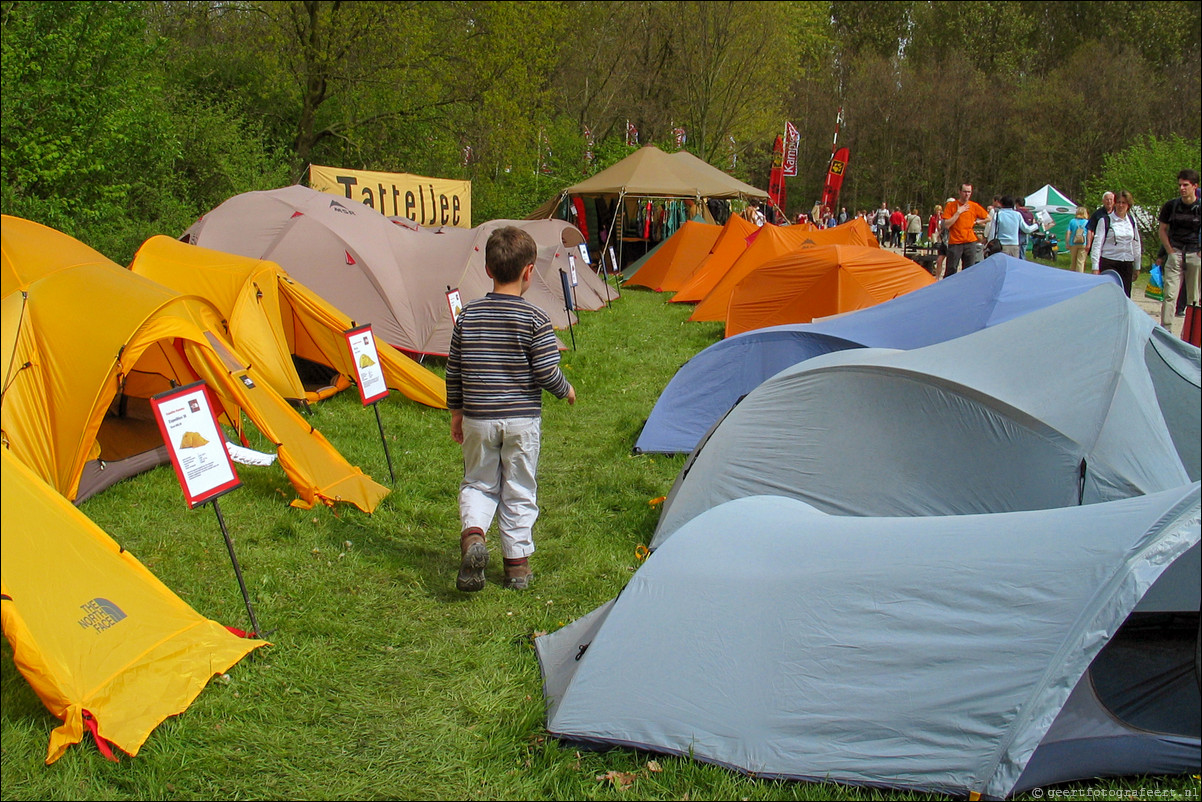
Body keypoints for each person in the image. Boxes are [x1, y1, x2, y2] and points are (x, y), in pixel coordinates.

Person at [447, 226, 576, 592]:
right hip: (521, 421)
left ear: (487, 269)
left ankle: (474, 536)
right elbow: (546, 370)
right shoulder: (536, 319)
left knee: (479, 483)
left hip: (478, 419)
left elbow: (454, 369)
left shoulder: (467, 317)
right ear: (529, 271)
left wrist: (456, 412)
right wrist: (564, 390)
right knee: (519, 487)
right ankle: (517, 567)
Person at [1157, 168, 1201, 332]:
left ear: (1194, 186)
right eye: (1180, 185)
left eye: (1186, 185)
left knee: (1194, 298)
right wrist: (1169, 250)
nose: (1182, 188)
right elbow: (1162, 229)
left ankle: (1190, 334)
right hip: (1175, 252)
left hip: (1194, 253)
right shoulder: (1171, 205)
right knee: (1170, 295)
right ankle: (1166, 331)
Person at [1090, 190, 1142, 297]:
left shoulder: (1131, 221)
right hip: (1109, 262)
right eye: (1118, 202)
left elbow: (1136, 244)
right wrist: (1095, 267)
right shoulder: (1105, 220)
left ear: (1128, 205)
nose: (1121, 205)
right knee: (1109, 295)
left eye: (1124, 203)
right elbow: (1097, 244)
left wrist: (1137, 265)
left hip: (1126, 262)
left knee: (1125, 295)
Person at [941, 183, 990, 276]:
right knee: (951, 269)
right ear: (959, 192)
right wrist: (958, 213)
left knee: (969, 270)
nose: (967, 194)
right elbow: (946, 225)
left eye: (969, 192)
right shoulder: (951, 206)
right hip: (955, 242)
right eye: (965, 192)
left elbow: (989, 218)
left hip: (970, 241)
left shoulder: (974, 206)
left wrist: (977, 222)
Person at [1065, 206, 1090, 272]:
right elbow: (1088, 234)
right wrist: (1088, 244)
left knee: (1073, 261)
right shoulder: (1087, 222)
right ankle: (1079, 276)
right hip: (1083, 243)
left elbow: (1068, 233)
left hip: (1073, 243)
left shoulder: (1072, 221)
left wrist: (1067, 243)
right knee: (1080, 262)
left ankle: (1072, 275)